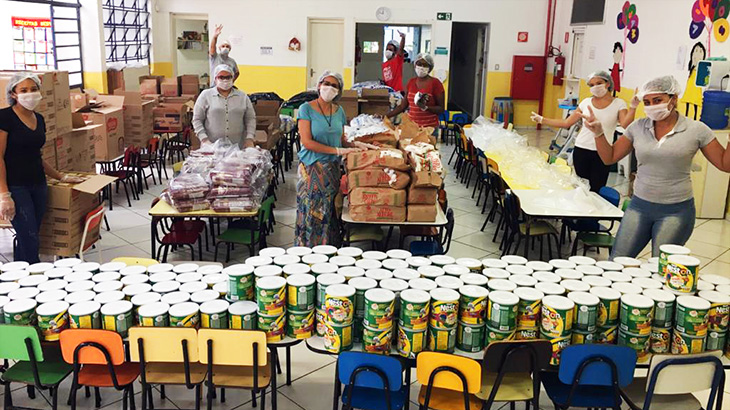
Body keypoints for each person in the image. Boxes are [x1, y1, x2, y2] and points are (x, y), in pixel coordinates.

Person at [584, 75, 730, 258]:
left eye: (658, 100)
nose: (652, 106)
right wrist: (598, 133)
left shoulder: (696, 130)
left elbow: (725, 164)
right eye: (647, 102)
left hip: (676, 210)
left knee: (661, 267)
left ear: (674, 99)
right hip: (639, 206)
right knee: (617, 261)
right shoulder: (637, 127)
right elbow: (609, 157)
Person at [0, 73, 83, 263]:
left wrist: (60, 177)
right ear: (13, 94)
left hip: (38, 184)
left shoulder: (39, 118)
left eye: (34, 89)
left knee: (31, 234)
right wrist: (4, 194)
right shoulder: (4, 117)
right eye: (24, 90)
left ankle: (21, 276)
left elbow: (36, 156)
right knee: (29, 237)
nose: (30, 94)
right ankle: (34, 277)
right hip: (16, 186)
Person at [295, 71, 372, 247]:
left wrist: (355, 145)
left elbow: (342, 138)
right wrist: (337, 150)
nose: (329, 87)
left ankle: (327, 250)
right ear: (319, 85)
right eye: (326, 83)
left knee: (329, 212)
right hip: (312, 168)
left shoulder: (339, 111)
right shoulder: (306, 109)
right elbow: (307, 142)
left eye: (334, 85)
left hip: (332, 170)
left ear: (339, 91)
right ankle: (308, 251)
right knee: (312, 212)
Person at [530, 71, 638, 192]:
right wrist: (542, 120)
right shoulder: (586, 102)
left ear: (607, 84)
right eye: (591, 85)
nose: (595, 87)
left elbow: (625, 124)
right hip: (581, 149)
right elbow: (567, 123)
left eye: (599, 83)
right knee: (581, 187)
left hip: (603, 152)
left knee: (597, 188)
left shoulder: (618, 103)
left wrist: (633, 107)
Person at [193, 64, 256, 148]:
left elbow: (250, 118)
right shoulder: (206, 95)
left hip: (237, 147)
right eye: (221, 77)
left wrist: (249, 138)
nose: (225, 80)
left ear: (233, 78)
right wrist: (204, 139)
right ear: (215, 79)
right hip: (211, 147)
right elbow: (197, 119)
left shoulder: (242, 96)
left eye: (228, 77)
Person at [386, 53, 445, 133]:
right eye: (419, 64)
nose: (421, 67)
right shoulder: (411, 82)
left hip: (429, 128)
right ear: (415, 65)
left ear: (430, 68)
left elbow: (441, 109)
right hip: (412, 127)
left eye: (425, 65)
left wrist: (426, 107)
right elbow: (402, 106)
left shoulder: (435, 83)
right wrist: (386, 116)